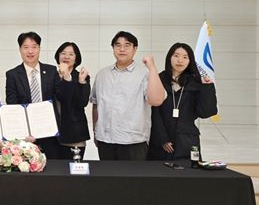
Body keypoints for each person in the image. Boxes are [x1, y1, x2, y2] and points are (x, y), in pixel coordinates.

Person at [90, 31, 165, 160]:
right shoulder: (102, 74)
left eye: (127, 45)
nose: (122, 49)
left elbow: (156, 100)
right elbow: (96, 104)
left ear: (135, 49)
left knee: (132, 174)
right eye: (118, 45)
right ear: (113, 48)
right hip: (105, 140)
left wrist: (152, 67)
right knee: (105, 173)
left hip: (133, 141)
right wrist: (96, 132)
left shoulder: (145, 74)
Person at [148, 43, 218, 161]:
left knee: (189, 171)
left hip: (187, 141)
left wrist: (207, 88)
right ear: (169, 57)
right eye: (176, 56)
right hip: (161, 142)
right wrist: (162, 138)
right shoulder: (159, 79)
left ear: (190, 61)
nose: (180, 60)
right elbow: (153, 112)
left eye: (185, 57)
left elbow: (205, 112)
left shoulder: (196, 82)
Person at [5, 31, 68, 159]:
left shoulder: (51, 71)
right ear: (20, 49)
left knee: (52, 167)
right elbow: (12, 104)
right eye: (26, 47)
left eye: (34, 47)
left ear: (39, 48)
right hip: (25, 136)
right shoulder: (13, 75)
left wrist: (66, 78)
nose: (30, 51)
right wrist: (23, 130)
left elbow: (62, 97)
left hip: (49, 132)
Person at [54, 42, 91, 160]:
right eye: (63, 53)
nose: (66, 57)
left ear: (76, 58)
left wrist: (80, 82)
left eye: (71, 54)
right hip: (51, 135)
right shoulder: (50, 75)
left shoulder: (82, 76)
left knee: (72, 169)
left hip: (74, 134)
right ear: (58, 56)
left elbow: (82, 102)